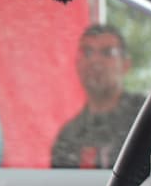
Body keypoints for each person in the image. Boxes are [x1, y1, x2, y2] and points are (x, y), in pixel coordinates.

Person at [50, 23, 144, 169]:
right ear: (77, 64)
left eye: (107, 53)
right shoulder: (69, 135)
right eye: (87, 53)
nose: (95, 61)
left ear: (125, 64)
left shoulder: (145, 116)